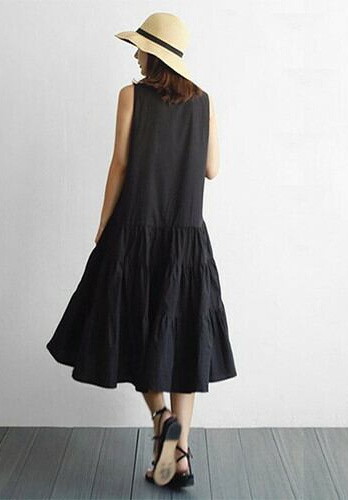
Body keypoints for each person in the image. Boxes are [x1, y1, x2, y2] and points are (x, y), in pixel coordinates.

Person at [46, 12, 237, 488]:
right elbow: (212, 169)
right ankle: (180, 455)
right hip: (186, 238)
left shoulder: (130, 96)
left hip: (134, 232)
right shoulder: (205, 102)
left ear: (154, 55)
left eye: (140, 48)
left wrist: (103, 222)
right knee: (185, 338)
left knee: (134, 327)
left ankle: (160, 417)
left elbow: (120, 164)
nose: (135, 55)